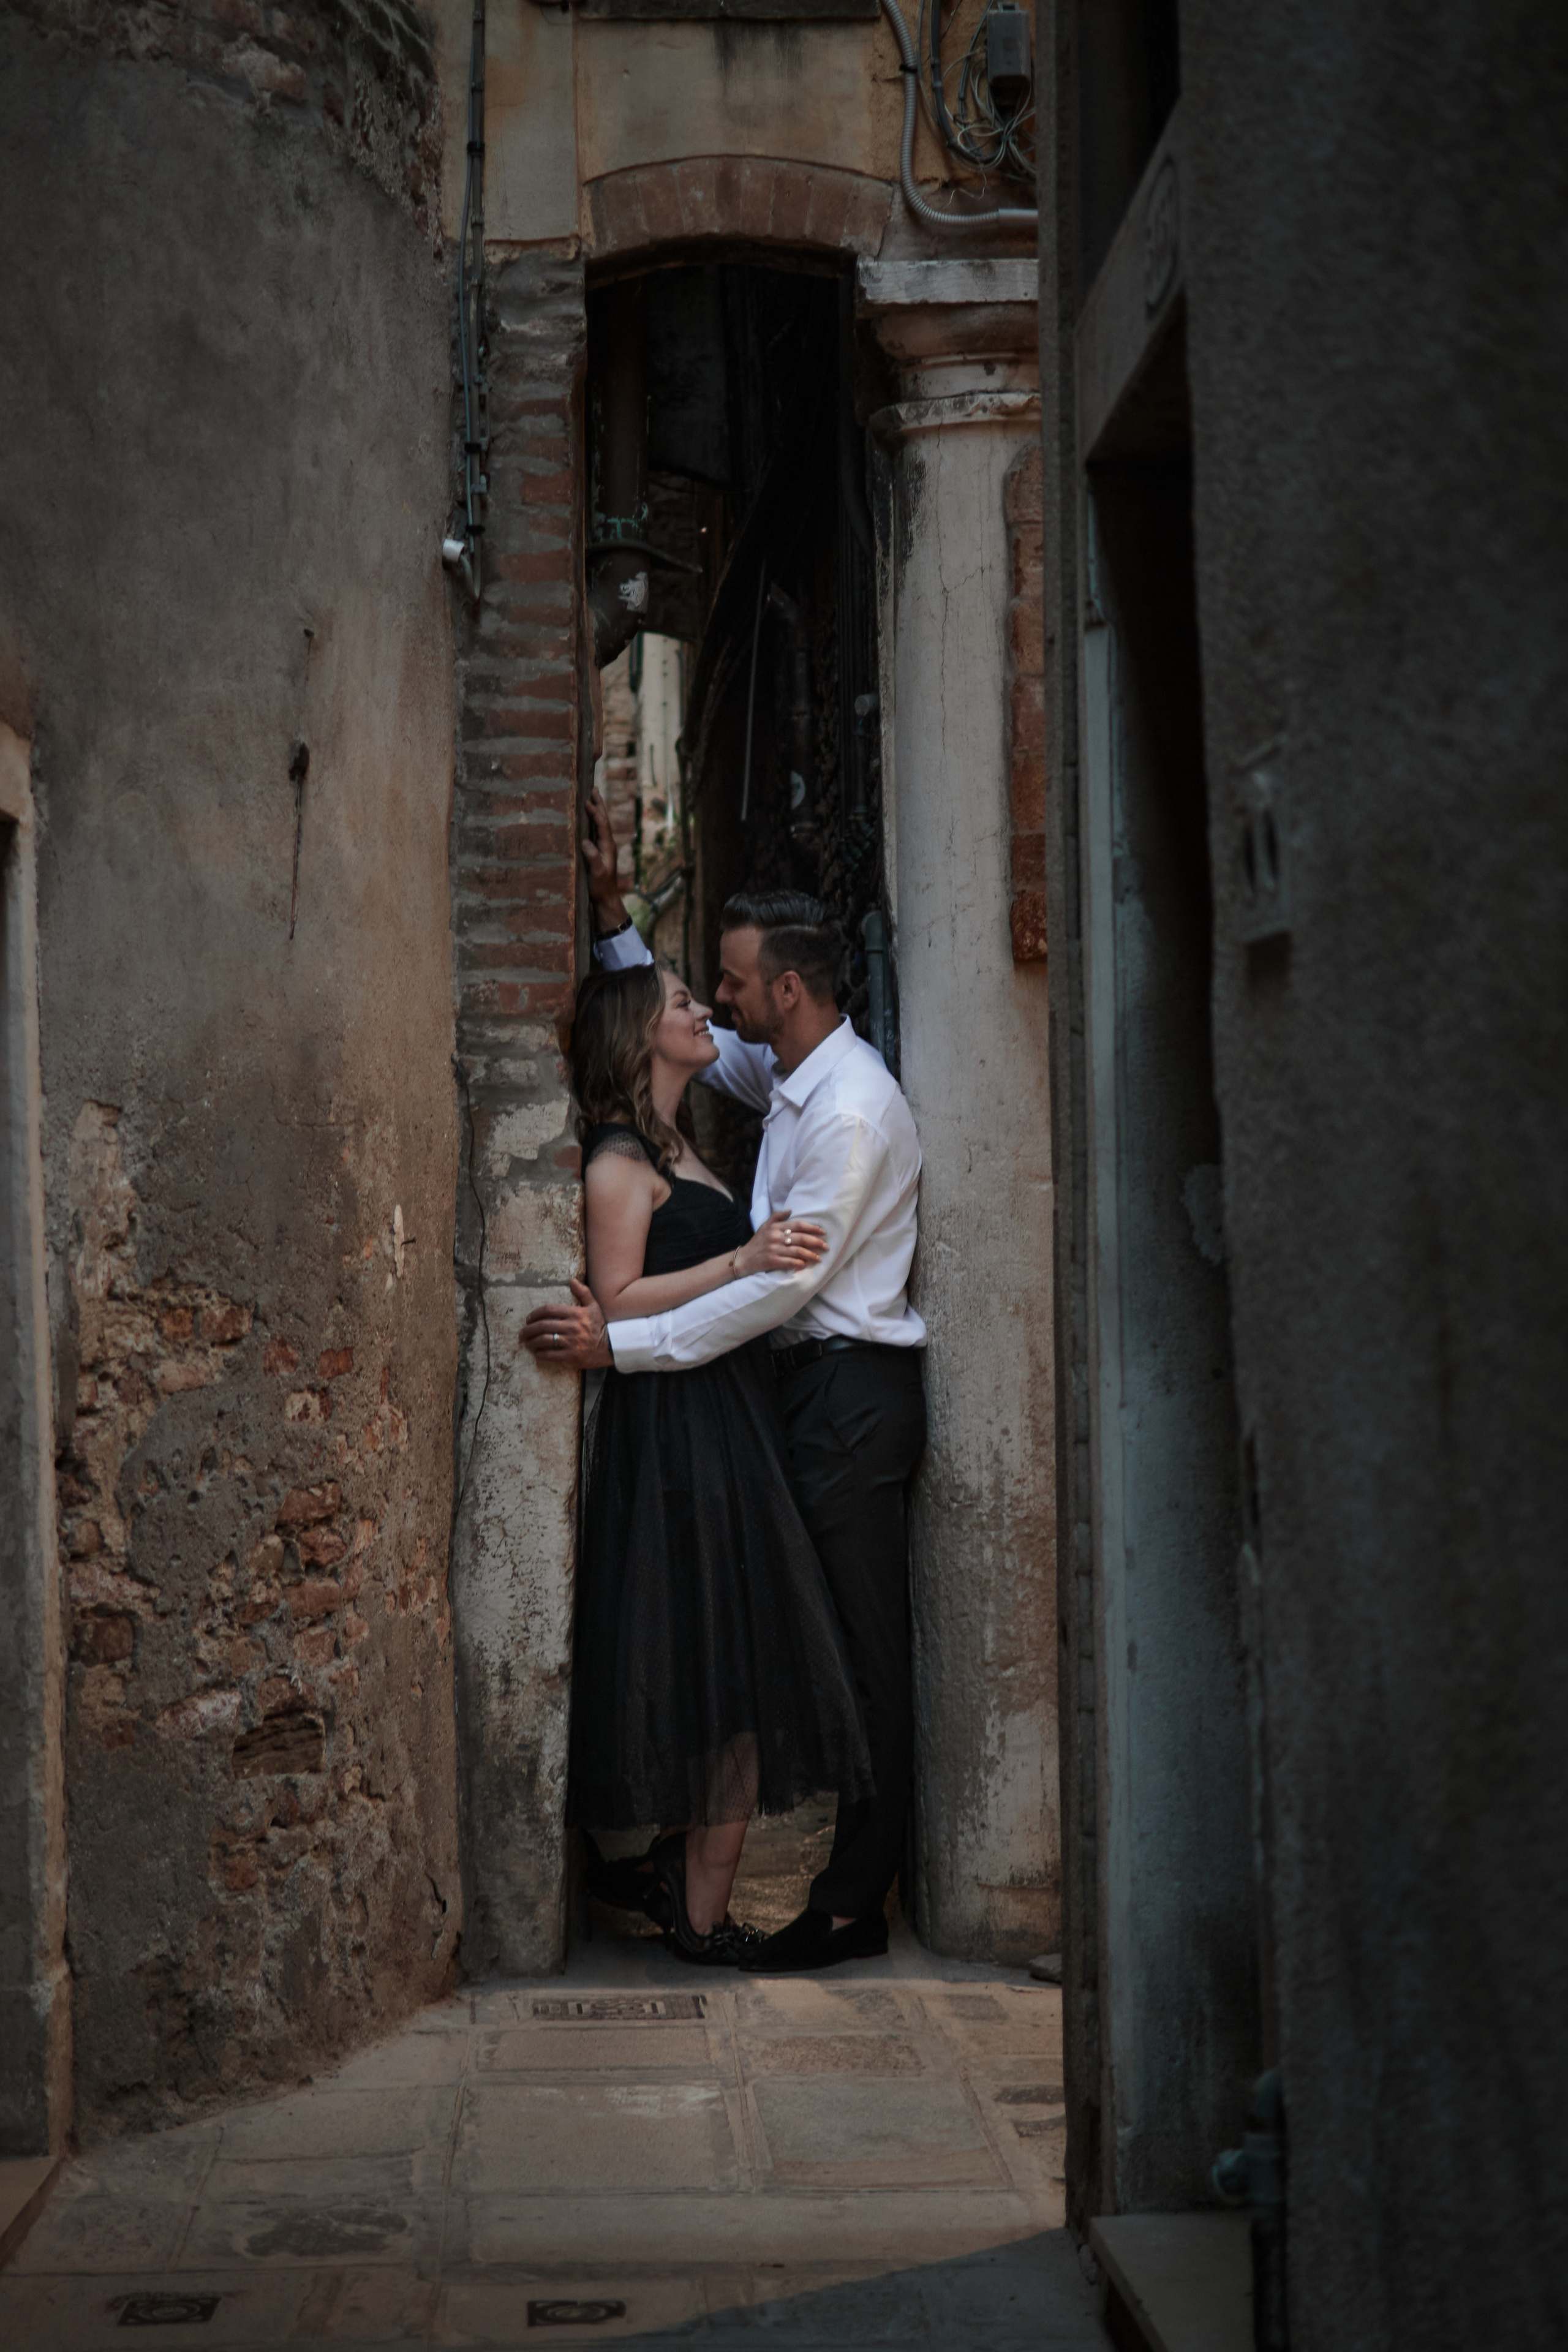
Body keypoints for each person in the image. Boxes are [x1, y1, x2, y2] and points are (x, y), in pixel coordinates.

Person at [524, 789, 927, 1975]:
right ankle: (687, 1861)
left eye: (734, 985)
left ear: (786, 991)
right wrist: (611, 915)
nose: (718, 1000)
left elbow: (775, 1293)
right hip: (780, 1401)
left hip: (845, 1398)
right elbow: (656, 1033)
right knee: (775, 1640)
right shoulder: (783, 1078)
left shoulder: (848, 1116)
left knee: (855, 1660)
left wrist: (621, 1347)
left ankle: (848, 1908)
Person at [562, 953, 875, 1966]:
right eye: (682, 1003)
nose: (704, 1012)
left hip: (725, 1415)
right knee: (729, 1661)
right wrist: (740, 1260)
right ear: (638, 1036)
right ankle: (697, 1914)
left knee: (729, 1663)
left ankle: (680, 1878)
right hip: (680, 1432)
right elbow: (616, 1298)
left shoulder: (675, 1142)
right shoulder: (619, 1158)